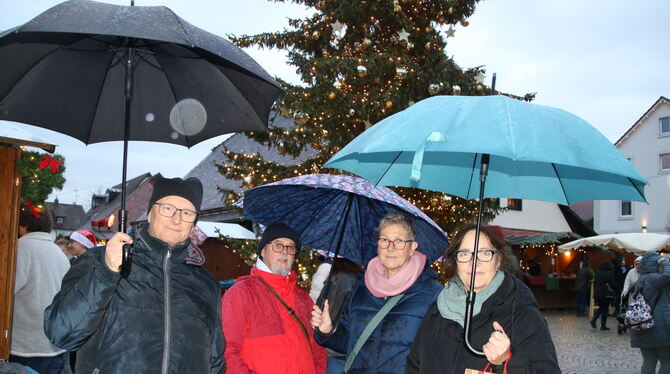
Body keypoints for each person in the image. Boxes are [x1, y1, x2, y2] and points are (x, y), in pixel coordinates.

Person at [44, 176, 225, 373]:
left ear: (193, 223)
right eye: (167, 208)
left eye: (187, 212)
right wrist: (106, 273)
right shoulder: (99, 261)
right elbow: (61, 332)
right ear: (149, 214)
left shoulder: (206, 284)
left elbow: (214, 360)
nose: (176, 218)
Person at [406, 223, 560, 373]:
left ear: (498, 261)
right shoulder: (438, 308)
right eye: (465, 253)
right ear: (456, 261)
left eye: (485, 253)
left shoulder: (520, 309)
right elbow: (414, 364)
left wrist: (506, 360)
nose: (475, 262)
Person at [311, 211, 441, 373]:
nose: (391, 248)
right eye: (385, 240)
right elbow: (349, 344)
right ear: (378, 245)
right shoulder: (361, 287)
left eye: (399, 241)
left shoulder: (431, 294)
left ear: (412, 248)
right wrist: (328, 330)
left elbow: (439, 355)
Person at [221, 222, 327, 373]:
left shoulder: (303, 298)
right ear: (263, 250)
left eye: (291, 247)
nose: (284, 251)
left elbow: (318, 349)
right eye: (277, 245)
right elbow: (227, 351)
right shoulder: (241, 293)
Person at [11, 201, 70, 374]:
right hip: (55, 344)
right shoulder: (59, 253)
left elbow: (6, 295)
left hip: (25, 347)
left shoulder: (19, 249)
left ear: (22, 224)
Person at [315, 257, 361, 374]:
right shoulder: (356, 281)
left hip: (329, 338)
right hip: (341, 341)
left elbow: (321, 304)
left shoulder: (335, 278)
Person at [630, 252, 670, 374]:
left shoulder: (641, 279)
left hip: (642, 325)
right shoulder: (654, 279)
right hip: (660, 327)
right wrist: (665, 262)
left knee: (649, 361)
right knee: (667, 361)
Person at [591, 260, 616, 331]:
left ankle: (595, 319)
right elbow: (612, 284)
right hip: (605, 293)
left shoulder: (598, 273)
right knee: (604, 308)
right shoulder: (609, 273)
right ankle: (602, 325)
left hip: (598, 293)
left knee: (601, 307)